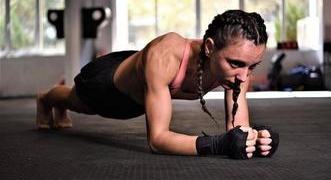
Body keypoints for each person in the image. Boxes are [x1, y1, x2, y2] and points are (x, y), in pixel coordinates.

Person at [36, 10, 279, 159]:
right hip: (107, 85)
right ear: (209, 48)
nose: (244, 76)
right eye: (236, 64)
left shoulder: (239, 70)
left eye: (252, 67)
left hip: (142, 98)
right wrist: (216, 144)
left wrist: (256, 140)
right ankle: (46, 99)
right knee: (76, 101)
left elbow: (237, 130)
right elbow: (158, 140)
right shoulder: (166, 55)